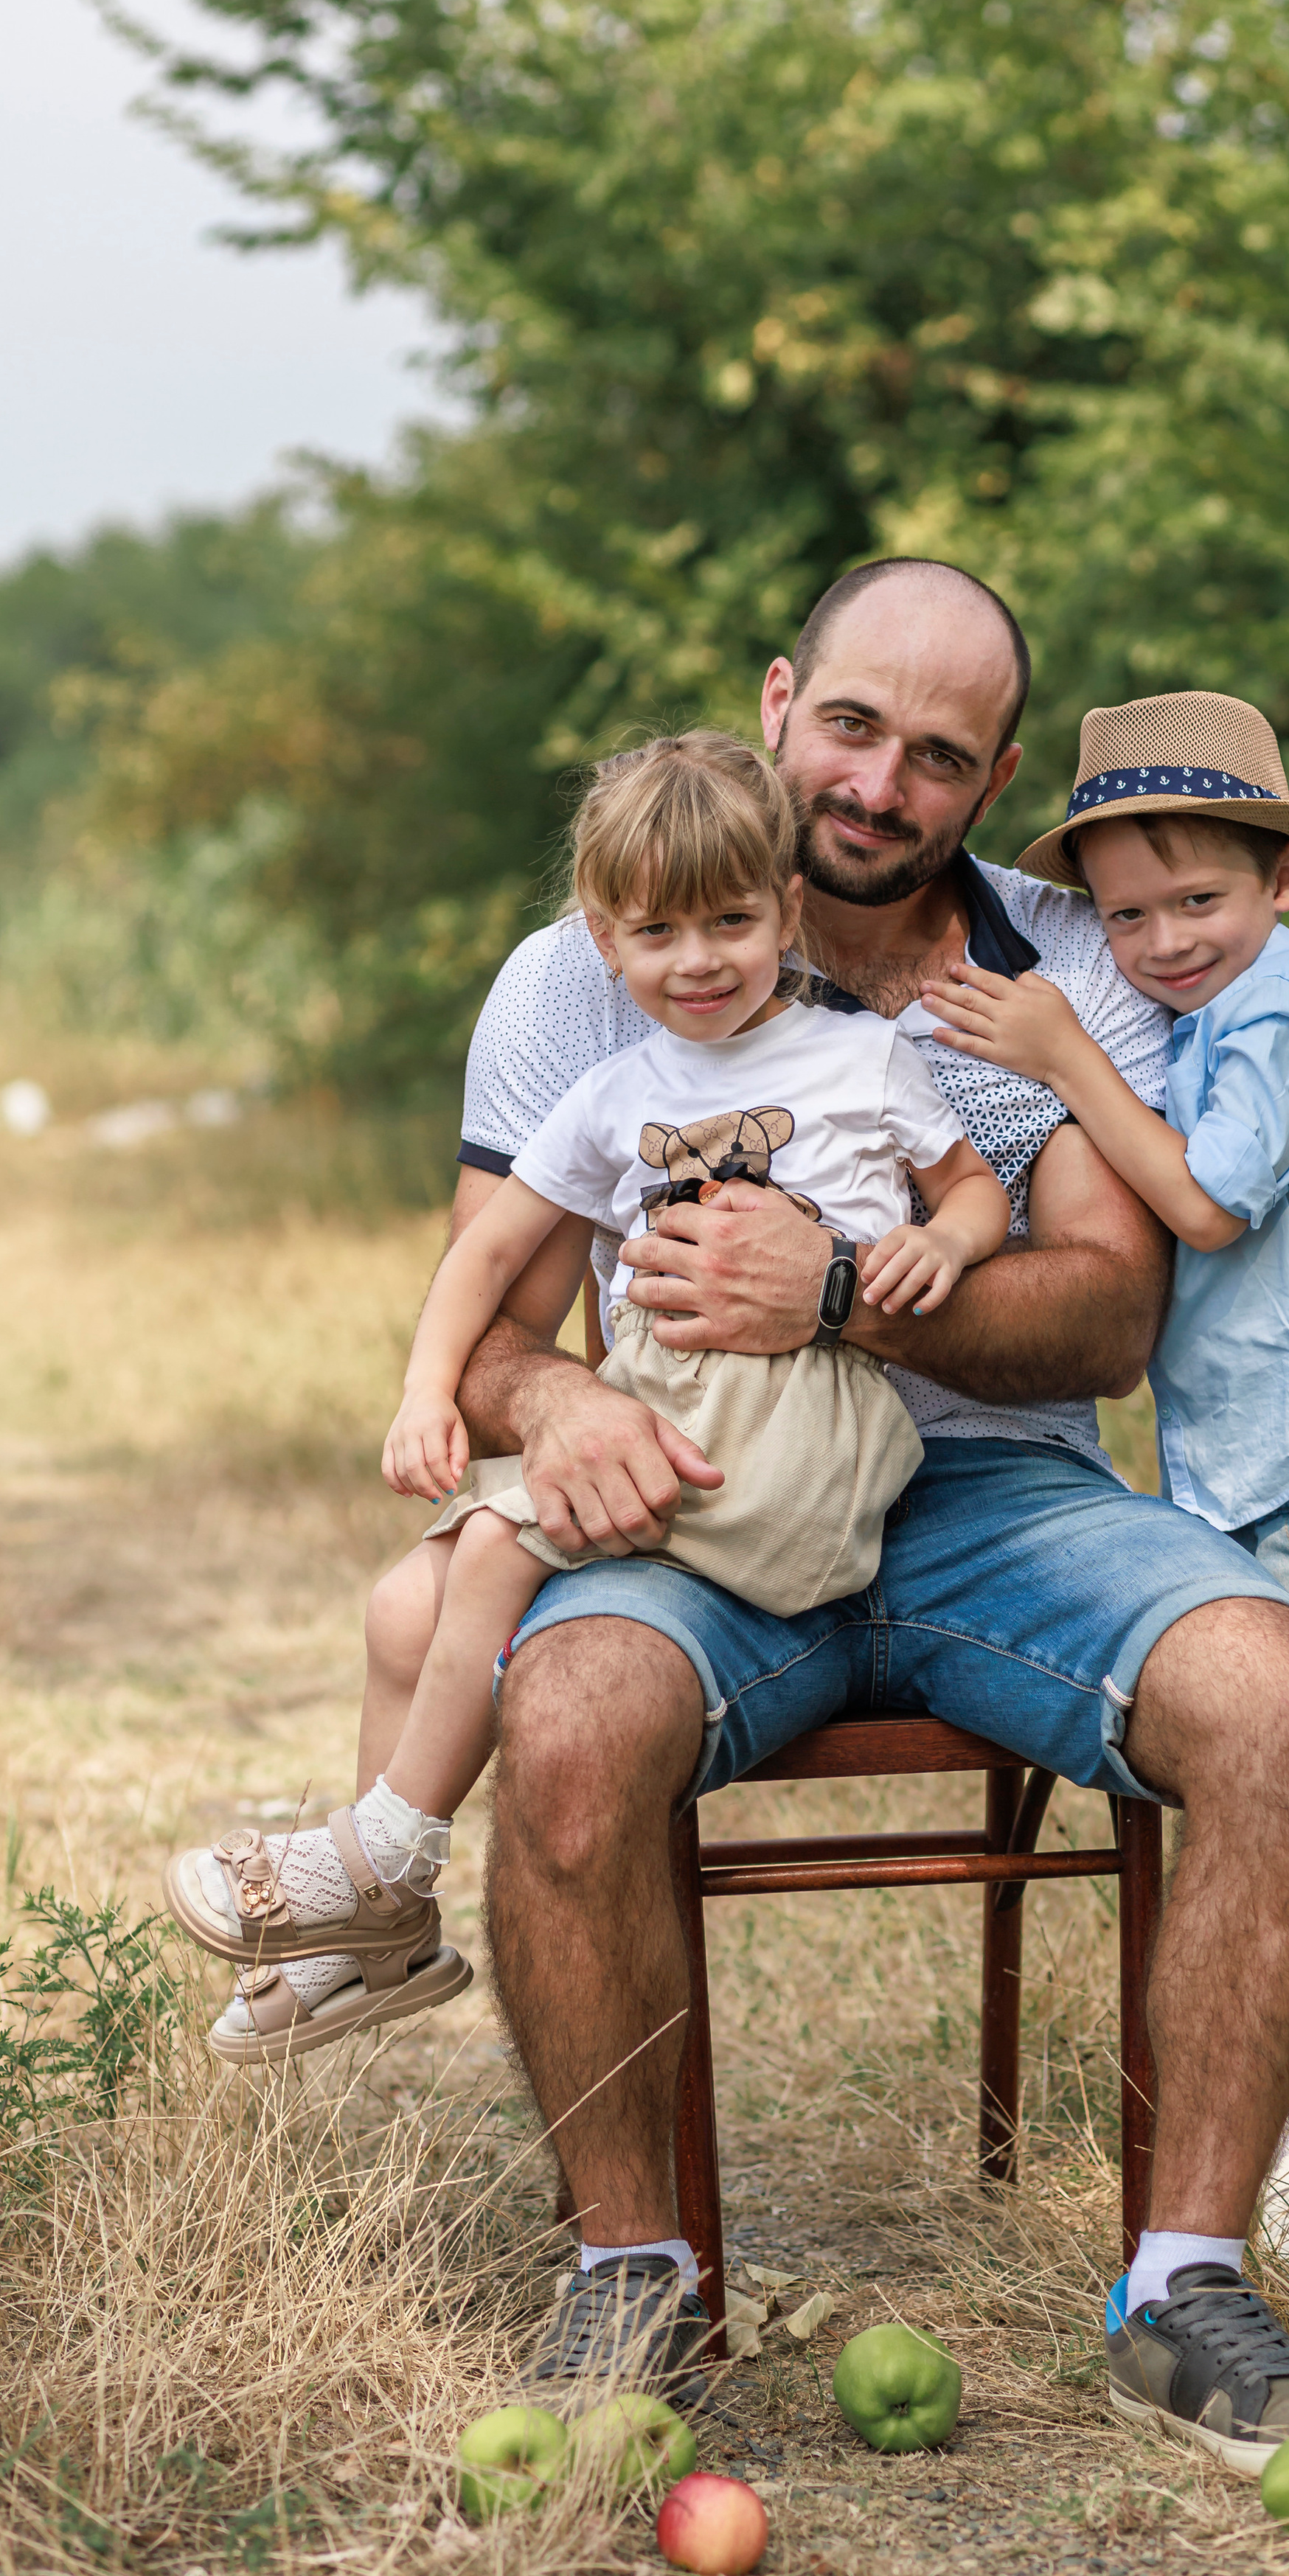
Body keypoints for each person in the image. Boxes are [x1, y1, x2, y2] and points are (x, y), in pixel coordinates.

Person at [413, 560, 1289, 2470]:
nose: (878, 782)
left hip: (992, 1493)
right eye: (852, 726)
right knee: (571, 1719)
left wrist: (840, 1292)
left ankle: (1184, 2290)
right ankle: (636, 2279)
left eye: (938, 756)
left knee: (1279, 1692)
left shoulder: (1066, 959)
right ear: (781, 705)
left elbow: (1110, 1310)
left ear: (993, 772)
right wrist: (570, 1398)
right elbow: (491, 1322)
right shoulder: (586, 970)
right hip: (701, 1500)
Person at [164, 729, 1009, 2058]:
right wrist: (424, 1391)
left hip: (800, 1444)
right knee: (404, 1604)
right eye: (657, 932)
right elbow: (489, 1254)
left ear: (788, 910)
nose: (699, 960)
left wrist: (940, 1246)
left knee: (499, 1542)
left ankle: (382, 1852)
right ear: (604, 943)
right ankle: (382, 1938)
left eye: (732, 920)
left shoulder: (860, 1059)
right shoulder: (616, 1091)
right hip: (677, 1420)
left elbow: (972, 1187)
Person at [923, 688, 1289, 2277]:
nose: (1162, 939)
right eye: (1125, 915)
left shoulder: (1281, 1005)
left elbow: (1208, 1206)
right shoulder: (1194, 1013)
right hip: (1226, 1488)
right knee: (1267, 1810)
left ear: (1279, 885)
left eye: (1199, 901)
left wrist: (1059, 1051)